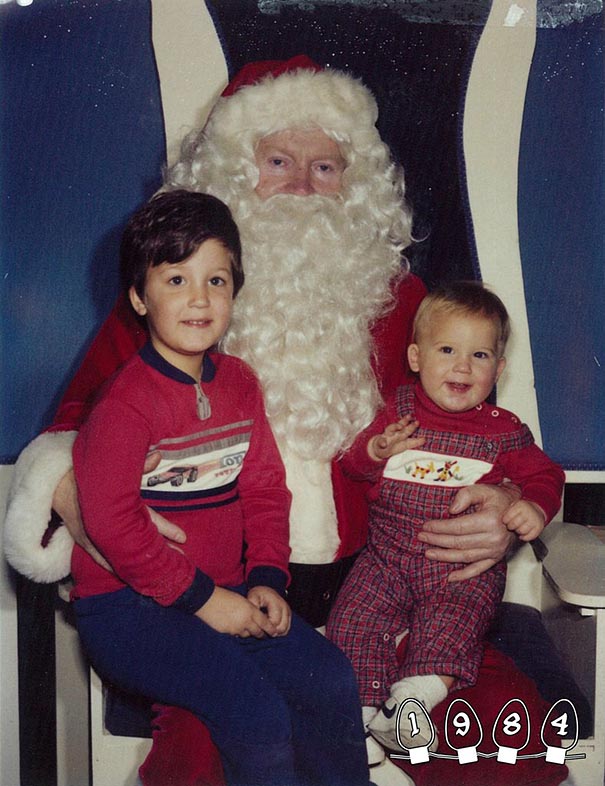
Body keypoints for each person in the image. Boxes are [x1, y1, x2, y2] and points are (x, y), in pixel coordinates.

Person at [4, 58, 568, 786]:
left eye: (325, 167)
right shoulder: (168, 308)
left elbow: (481, 435)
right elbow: (72, 431)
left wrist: (504, 508)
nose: (302, 185)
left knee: (509, 753)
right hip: (206, 599)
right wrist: (89, 507)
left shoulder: (406, 305)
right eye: (277, 162)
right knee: (217, 753)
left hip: (386, 591)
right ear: (232, 173)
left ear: (356, 186)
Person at [71, 188, 370, 786]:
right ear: (139, 297)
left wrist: (267, 579)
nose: (200, 299)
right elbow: (112, 521)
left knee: (331, 679)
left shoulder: (239, 383)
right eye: (176, 280)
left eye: (217, 280)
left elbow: (265, 491)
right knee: (254, 712)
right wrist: (206, 600)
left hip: (225, 591)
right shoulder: (126, 402)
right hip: (127, 610)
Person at [327, 282, 565, 765]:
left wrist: (534, 506)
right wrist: (375, 450)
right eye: (447, 350)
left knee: (454, 624)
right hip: (385, 558)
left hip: (460, 570)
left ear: (498, 370)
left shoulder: (503, 430)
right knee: (353, 619)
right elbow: (353, 464)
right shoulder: (394, 412)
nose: (462, 367)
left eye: (480, 355)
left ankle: (411, 703)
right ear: (416, 357)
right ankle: (358, 716)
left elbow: (546, 475)